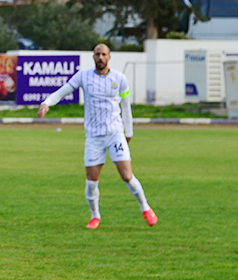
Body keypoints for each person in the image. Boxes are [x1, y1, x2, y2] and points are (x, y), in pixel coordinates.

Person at [37, 44, 157, 229]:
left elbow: (126, 106)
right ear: (93, 57)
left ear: (109, 57)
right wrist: (47, 103)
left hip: (115, 133)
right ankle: (95, 216)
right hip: (93, 136)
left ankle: (146, 208)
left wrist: (129, 132)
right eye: (97, 54)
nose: (100, 57)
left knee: (126, 175)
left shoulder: (120, 79)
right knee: (92, 180)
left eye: (104, 54)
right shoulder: (83, 76)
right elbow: (63, 91)